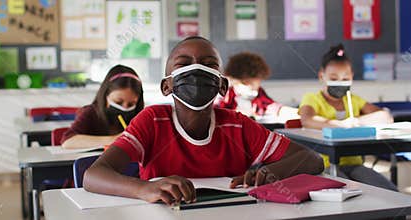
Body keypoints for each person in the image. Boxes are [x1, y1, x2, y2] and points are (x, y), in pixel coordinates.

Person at [83, 36, 324, 205]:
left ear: (222, 85)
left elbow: (312, 159)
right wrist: (143, 189)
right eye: (184, 64)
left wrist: (271, 171)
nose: (197, 70)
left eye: (209, 65)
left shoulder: (237, 125)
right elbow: (93, 176)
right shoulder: (152, 120)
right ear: (166, 86)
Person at [298, 44, 397, 191]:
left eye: (345, 78)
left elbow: (385, 116)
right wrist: (340, 124)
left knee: (388, 191)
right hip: (323, 165)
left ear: (352, 78)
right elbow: (307, 120)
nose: (339, 82)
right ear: (321, 76)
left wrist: (357, 121)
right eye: (333, 78)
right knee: (349, 191)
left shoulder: (353, 100)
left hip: (354, 163)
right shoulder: (312, 99)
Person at [61, 65, 144, 149]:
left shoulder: (140, 116)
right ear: (105, 95)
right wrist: (114, 139)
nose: (124, 108)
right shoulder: (91, 112)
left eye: (131, 104)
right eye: (118, 102)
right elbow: (68, 141)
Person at [217, 52, 298, 122]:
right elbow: (215, 114)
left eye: (256, 85)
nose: (252, 89)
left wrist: (298, 113)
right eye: (247, 83)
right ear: (232, 80)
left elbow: (274, 107)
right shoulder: (224, 94)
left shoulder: (258, 93)